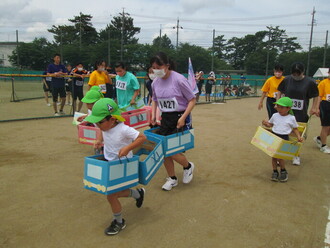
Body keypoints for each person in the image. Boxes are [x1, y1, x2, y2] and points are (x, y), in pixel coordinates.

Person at [85, 98, 147, 235]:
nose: (97, 124)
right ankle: (138, 194)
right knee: (115, 192)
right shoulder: (104, 125)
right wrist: (99, 140)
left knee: (111, 195)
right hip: (110, 162)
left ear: (112, 119)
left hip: (123, 164)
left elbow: (142, 138)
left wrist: (127, 148)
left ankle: (119, 222)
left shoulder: (123, 129)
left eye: (99, 121)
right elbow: (102, 132)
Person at [150, 52, 196, 191]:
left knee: (173, 151)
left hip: (180, 117)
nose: (156, 70)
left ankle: (188, 166)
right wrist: (153, 115)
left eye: (159, 67)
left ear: (167, 66)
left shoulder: (179, 80)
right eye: (153, 67)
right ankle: (172, 178)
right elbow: (155, 100)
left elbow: (192, 100)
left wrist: (183, 118)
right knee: (164, 150)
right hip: (166, 118)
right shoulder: (155, 82)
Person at [277, 62, 319, 165]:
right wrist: (278, 103)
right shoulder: (286, 80)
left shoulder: (310, 82)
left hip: (301, 113)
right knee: (283, 133)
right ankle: (281, 155)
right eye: (294, 74)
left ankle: (296, 155)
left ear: (302, 72)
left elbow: (316, 96)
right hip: (286, 112)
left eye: (298, 74)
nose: (296, 76)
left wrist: (314, 107)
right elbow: (279, 91)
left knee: (297, 135)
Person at [262, 97, 303, 182]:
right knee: (273, 156)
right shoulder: (275, 115)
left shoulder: (291, 118)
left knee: (280, 157)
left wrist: (299, 137)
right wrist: (266, 123)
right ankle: (275, 171)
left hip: (284, 138)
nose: (279, 109)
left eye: (282, 107)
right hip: (274, 137)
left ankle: (283, 171)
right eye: (278, 106)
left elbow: (295, 128)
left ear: (288, 108)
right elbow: (270, 124)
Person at [313, 68, 330, 153]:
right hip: (325, 105)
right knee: (326, 126)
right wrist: (317, 108)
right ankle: (323, 146)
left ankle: (319, 138)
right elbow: (319, 96)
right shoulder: (323, 83)